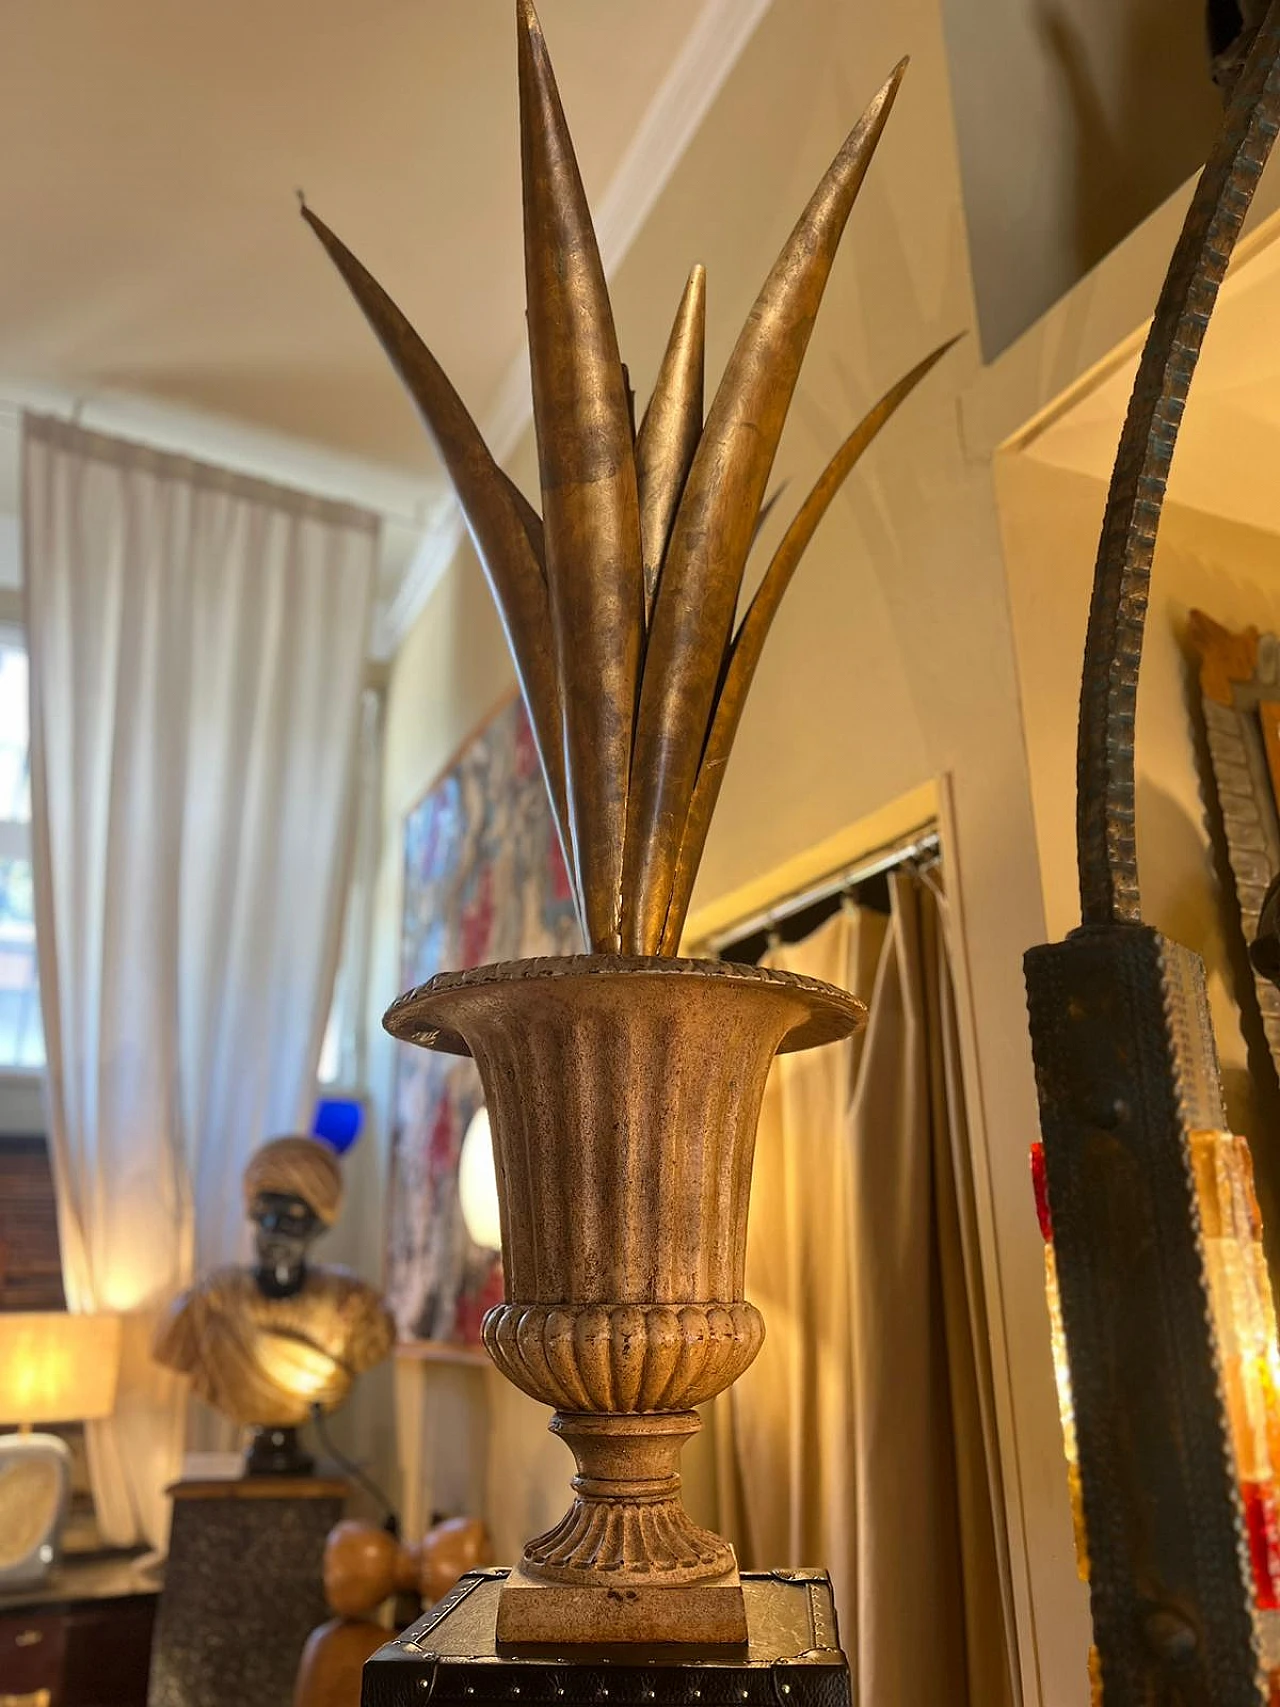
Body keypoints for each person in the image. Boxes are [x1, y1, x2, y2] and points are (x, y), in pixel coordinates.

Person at [154, 1136, 394, 1474]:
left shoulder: (357, 1309)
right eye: (264, 1216)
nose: (274, 1232)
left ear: (319, 1225)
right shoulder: (208, 1304)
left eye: (291, 1219)